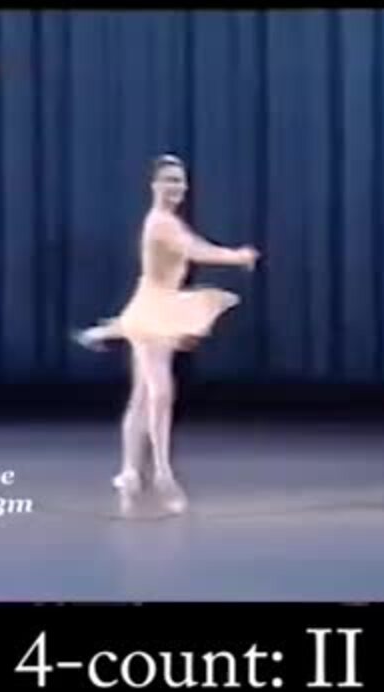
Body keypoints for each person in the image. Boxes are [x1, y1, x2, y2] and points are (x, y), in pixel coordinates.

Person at [74, 154, 259, 516]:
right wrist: (237, 256)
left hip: (159, 303)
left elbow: (191, 246)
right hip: (154, 307)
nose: (177, 187)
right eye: (170, 180)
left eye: (181, 181)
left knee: (144, 394)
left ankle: (131, 470)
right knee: (159, 392)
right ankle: (161, 471)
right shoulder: (160, 223)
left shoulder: (169, 221)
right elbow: (195, 250)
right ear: (155, 184)